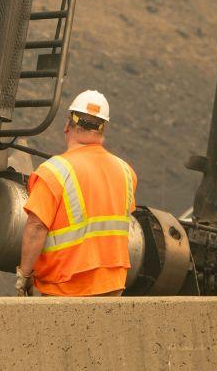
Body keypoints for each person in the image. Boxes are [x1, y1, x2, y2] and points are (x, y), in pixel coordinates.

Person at [16, 90, 137, 297]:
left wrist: (25, 275)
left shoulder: (53, 172)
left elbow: (36, 227)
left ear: (67, 126)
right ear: (103, 129)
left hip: (66, 286)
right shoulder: (125, 172)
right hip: (112, 285)